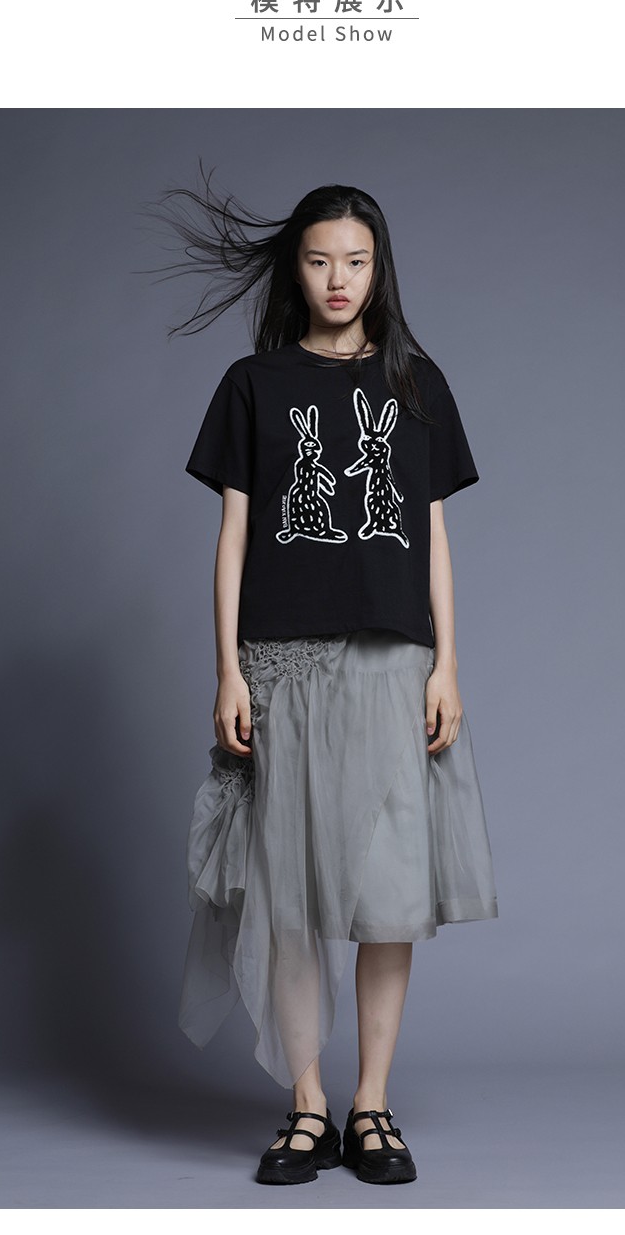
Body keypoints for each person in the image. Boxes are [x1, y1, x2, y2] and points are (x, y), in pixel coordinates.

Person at [149, 168, 498, 1185]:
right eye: (318, 260)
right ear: (294, 271)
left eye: (355, 260)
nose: (337, 278)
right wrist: (227, 670)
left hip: (393, 661)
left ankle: (371, 1104)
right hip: (283, 664)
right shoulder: (253, 385)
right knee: (291, 892)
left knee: (389, 892)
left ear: (379, 268)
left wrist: (448, 663)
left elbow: (433, 534)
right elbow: (232, 537)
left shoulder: (417, 383)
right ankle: (305, 1106)